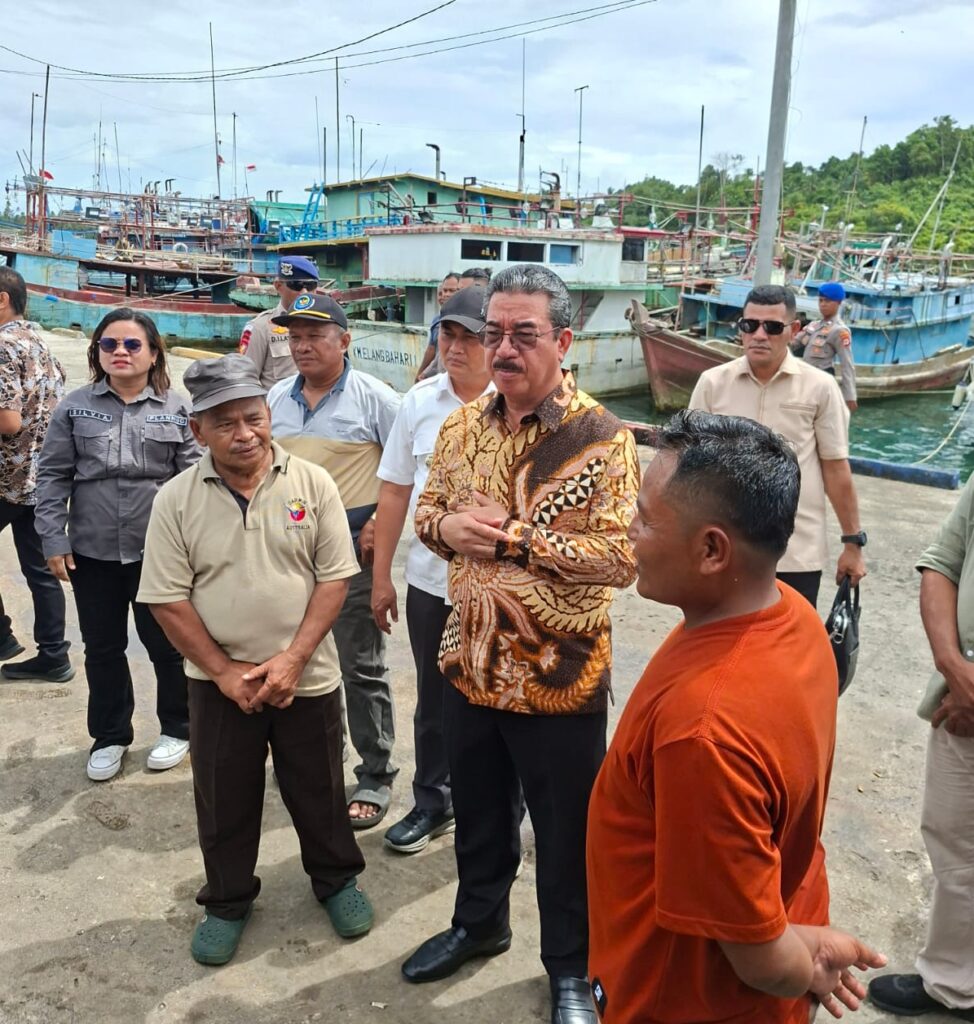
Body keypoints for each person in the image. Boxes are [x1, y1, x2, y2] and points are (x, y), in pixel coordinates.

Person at [586, 410, 886, 1024]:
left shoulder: (703, 732)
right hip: (785, 914)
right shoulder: (794, 616)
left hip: (683, 996)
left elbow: (759, 959)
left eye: (645, 517)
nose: (627, 529)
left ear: (711, 550)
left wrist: (809, 964)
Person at [404, 264, 640, 1024]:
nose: (503, 348)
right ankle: (479, 924)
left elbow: (620, 558)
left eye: (523, 334)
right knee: (478, 814)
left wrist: (510, 538)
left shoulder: (604, 439)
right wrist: (448, 527)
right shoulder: (461, 425)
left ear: (562, 342)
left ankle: (571, 966)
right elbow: (427, 516)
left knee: (566, 834)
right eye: (493, 333)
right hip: (469, 659)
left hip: (557, 677)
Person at [137, 354, 373, 966]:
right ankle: (227, 901)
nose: (244, 434)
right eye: (225, 424)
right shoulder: (175, 500)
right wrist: (223, 672)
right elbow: (166, 597)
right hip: (220, 684)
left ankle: (337, 880)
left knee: (320, 787)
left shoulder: (313, 483)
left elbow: (335, 578)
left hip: (308, 677)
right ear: (198, 431)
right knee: (224, 797)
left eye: (253, 418)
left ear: (269, 415)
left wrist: (293, 659)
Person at [34, 309, 198, 781]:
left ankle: (178, 728)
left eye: (131, 344)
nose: (120, 352)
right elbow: (52, 476)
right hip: (92, 551)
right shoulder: (74, 407)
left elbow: (194, 481)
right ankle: (109, 737)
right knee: (102, 648)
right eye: (109, 344)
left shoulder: (178, 409)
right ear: (97, 352)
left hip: (159, 553)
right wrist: (53, 538)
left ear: (154, 353)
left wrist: (196, 548)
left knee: (168, 646)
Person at [267, 293, 402, 830]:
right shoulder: (276, 397)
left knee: (359, 664)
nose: (302, 347)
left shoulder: (376, 399)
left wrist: (379, 524)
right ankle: (317, 756)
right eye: (295, 337)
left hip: (351, 550)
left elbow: (408, 472)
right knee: (297, 656)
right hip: (288, 548)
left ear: (344, 341)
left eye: (314, 337)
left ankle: (376, 771)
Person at [371, 286, 494, 854]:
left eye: (471, 337)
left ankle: (497, 808)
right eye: (448, 333)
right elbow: (395, 490)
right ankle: (432, 801)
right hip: (429, 581)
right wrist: (381, 578)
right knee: (435, 698)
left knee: (498, 696)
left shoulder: (519, 404)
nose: (456, 347)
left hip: (500, 587)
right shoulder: (419, 402)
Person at [689, 283, 867, 609]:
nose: (759, 335)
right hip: (725, 548)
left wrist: (853, 543)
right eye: (750, 325)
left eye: (772, 327)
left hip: (796, 553)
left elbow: (835, 468)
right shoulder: (712, 383)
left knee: (791, 639)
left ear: (793, 330)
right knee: (718, 636)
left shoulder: (821, 388)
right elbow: (691, 465)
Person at [868, 473, 974, 1018]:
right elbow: (943, 563)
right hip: (960, 701)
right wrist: (954, 667)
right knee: (955, 844)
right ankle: (955, 982)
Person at [0, 266, 72, 683]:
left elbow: (8, 421)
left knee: (40, 569)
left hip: (7, 479)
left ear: (2, 299)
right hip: (40, 477)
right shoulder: (40, 343)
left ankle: (3, 637)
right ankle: (54, 655)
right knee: (40, 571)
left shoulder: (2, 346)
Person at [239, 255, 319, 388]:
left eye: (310, 285)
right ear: (278, 286)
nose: (304, 292)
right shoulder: (260, 328)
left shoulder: (325, 325)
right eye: (296, 285)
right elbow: (245, 381)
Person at [793, 282, 857, 411]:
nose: (822, 304)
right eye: (820, 300)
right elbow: (793, 343)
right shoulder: (814, 325)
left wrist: (849, 396)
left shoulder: (840, 330)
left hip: (822, 382)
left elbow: (847, 364)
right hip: (805, 379)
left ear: (838, 303)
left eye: (827, 301)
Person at [415, 272, 460, 382]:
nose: (446, 294)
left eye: (452, 291)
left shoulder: (466, 322)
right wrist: (422, 373)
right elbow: (433, 352)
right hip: (440, 378)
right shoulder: (437, 320)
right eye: (445, 291)